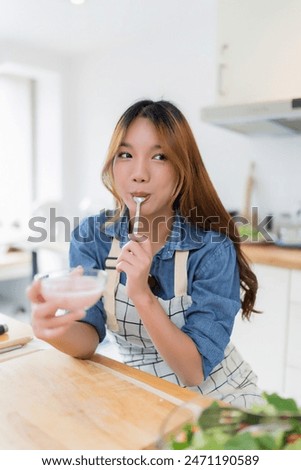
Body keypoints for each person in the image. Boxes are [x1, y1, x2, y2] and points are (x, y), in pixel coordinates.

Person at [27, 99, 264, 408]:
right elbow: (88, 338)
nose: (139, 174)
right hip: (143, 394)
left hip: (219, 400)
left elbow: (193, 371)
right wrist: (51, 329)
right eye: (126, 155)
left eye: (159, 156)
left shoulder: (211, 249)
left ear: (182, 171)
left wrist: (141, 294)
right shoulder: (92, 237)